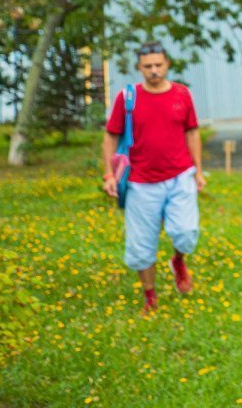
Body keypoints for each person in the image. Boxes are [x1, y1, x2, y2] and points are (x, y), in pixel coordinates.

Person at [101, 41, 205, 312]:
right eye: (148, 66)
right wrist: (108, 175)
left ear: (167, 64)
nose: (154, 70)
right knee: (140, 246)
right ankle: (151, 296)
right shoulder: (128, 98)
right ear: (139, 68)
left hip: (180, 175)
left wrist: (199, 171)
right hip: (140, 182)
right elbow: (110, 136)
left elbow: (192, 132)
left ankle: (178, 261)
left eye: (159, 65)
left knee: (186, 232)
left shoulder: (182, 94)